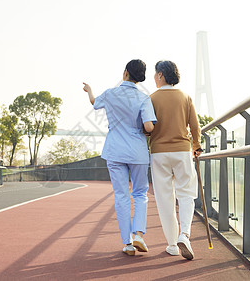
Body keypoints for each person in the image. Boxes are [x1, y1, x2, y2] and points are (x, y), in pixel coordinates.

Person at [83, 59, 157, 256]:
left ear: (125, 73)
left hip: (115, 151)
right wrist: (146, 130)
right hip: (138, 151)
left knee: (121, 195)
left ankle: (128, 243)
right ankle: (139, 234)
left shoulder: (110, 93)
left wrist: (89, 90)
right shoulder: (144, 98)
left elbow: (93, 102)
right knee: (140, 193)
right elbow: (149, 126)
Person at [149, 60, 202, 260]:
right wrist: (196, 145)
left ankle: (172, 244)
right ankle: (185, 235)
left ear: (161, 75)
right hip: (182, 151)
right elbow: (194, 126)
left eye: (155, 74)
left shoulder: (151, 99)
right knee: (187, 194)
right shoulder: (185, 97)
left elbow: (146, 127)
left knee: (165, 200)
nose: (154, 78)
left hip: (159, 153)